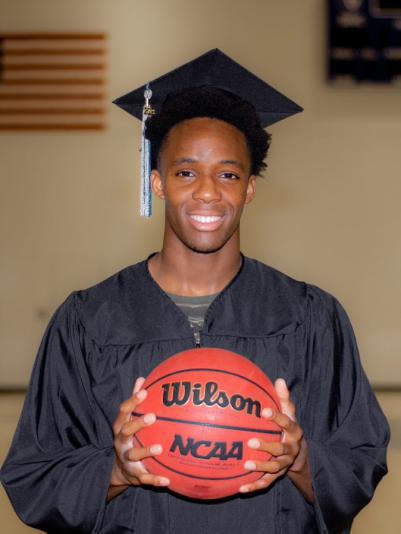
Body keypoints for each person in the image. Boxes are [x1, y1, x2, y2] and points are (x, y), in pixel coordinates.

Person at [0, 49, 389, 533]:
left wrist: (300, 458)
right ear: (157, 183)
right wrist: (116, 471)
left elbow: (360, 463)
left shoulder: (310, 316)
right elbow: (34, 477)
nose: (208, 192)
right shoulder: (89, 320)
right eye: (186, 172)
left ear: (249, 189)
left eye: (228, 174)